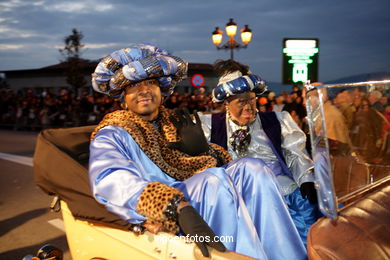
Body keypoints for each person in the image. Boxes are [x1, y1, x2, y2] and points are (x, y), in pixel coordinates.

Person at [89, 44, 306, 260]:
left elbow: (197, 164)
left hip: (197, 192)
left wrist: (206, 151)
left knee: (252, 167)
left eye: (150, 83)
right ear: (123, 97)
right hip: (166, 208)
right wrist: (174, 205)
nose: (144, 91)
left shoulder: (173, 122)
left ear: (161, 91)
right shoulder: (112, 132)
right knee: (213, 180)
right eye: (133, 86)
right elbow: (110, 179)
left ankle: (285, 255)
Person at [198, 59, 321, 246]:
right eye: (241, 102)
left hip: (283, 195)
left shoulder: (278, 120)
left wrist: (306, 180)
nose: (248, 107)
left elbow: (295, 155)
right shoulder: (210, 125)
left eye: (252, 99)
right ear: (227, 103)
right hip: (237, 200)